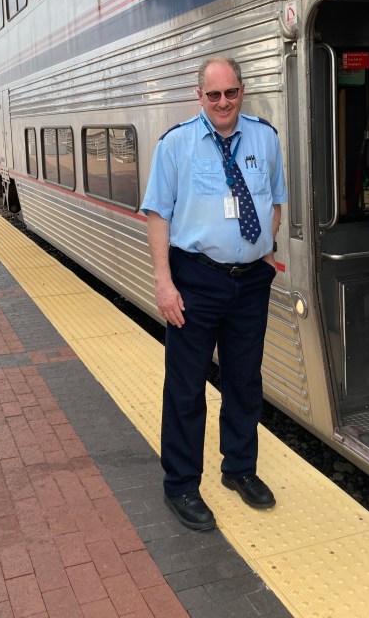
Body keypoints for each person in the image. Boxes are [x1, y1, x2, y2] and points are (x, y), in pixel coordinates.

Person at [141, 56, 287, 530]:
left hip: (250, 282)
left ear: (242, 91)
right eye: (213, 95)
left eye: (231, 93)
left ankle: (239, 469)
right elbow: (159, 215)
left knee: (244, 382)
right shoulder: (176, 144)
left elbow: (275, 200)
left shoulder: (265, 137)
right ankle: (180, 484)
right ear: (198, 96)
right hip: (195, 279)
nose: (223, 103)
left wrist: (268, 251)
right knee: (186, 387)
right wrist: (164, 283)